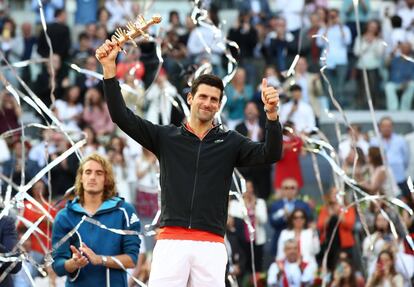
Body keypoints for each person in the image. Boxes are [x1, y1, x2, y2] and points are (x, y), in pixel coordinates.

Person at [96, 38, 282, 287]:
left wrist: (271, 116)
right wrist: (109, 70)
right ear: (191, 98)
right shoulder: (166, 137)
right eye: (203, 96)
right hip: (171, 240)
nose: (207, 103)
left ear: (218, 106)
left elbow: (270, 153)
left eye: (214, 100)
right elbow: (121, 116)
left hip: (212, 243)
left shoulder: (231, 142)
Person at [51, 153, 141, 287]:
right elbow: (58, 266)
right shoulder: (64, 216)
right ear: (81, 178)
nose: (92, 177)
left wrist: (100, 259)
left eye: (99, 173)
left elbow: (131, 260)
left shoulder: (125, 211)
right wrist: (73, 263)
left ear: (106, 179)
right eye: (88, 172)